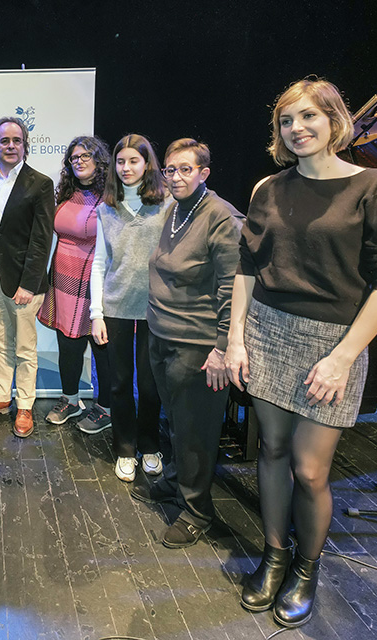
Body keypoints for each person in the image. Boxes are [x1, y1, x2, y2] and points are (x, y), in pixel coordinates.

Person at [227, 78, 377, 628]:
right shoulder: (268, 189)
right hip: (267, 332)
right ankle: (274, 554)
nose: (297, 128)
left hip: (334, 345)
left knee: (309, 471)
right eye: (286, 120)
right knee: (272, 454)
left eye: (308, 117)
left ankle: (306, 568)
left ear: (335, 120)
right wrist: (236, 338)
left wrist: (343, 357)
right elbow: (246, 269)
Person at [130, 138, 244, 549]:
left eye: (184, 170)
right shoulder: (176, 208)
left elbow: (234, 289)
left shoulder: (222, 218)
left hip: (198, 345)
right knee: (175, 424)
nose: (175, 177)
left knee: (195, 432)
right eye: (170, 170)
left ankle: (197, 512)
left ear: (203, 173)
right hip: (162, 334)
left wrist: (221, 348)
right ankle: (177, 484)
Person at [89, 134, 171, 482]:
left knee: (151, 385)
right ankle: (125, 447)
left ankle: (150, 444)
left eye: (133, 161)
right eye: (120, 162)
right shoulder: (106, 209)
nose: (126, 168)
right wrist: (96, 313)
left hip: (156, 308)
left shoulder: (167, 204)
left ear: (147, 164)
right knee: (121, 383)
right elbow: (98, 263)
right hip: (117, 306)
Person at [0, 116, 55, 437]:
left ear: (25, 145)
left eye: (16, 140)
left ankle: (25, 405)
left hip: (24, 283)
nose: (10, 146)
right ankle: (1, 396)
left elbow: (41, 239)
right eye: (4, 141)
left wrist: (29, 284)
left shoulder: (41, 184)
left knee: (24, 346)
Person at [38, 135, 112, 432]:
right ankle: (71, 400)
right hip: (63, 275)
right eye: (74, 157)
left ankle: (106, 408)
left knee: (101, 345)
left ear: (100, 160)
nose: (79, 161)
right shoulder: (65, 193)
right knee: (67, 344)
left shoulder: (111, 196)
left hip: (96, 279)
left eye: (85, 156)